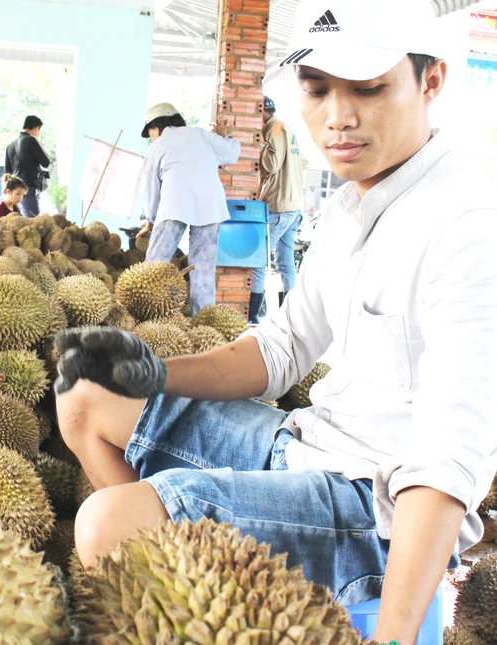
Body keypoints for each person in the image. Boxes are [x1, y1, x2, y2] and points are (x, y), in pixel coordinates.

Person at [53, 0, 496, 642]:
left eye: (369, 88)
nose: (337, 118)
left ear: (431, 82)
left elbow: (445, 463)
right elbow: (278, 350)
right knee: (87, 398)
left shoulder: (468, 229)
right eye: (316, 90)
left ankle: (177, 573)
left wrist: (397, 637)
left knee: (104, 523)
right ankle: (183, 603)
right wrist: (148, 371)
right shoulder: (351, 207)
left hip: (374, 513)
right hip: (302, 448)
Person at [137, 103, 241, 314]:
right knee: (203, 269)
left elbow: (150, 187)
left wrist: (149, 217)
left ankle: (142, 313)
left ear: (159, 124)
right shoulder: (200, 135)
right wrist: (225, 136)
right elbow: (231, 154)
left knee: (155, 264)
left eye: (151, 131)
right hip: (210, 204)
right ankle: (204, 318)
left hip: (175, 203)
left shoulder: (156, 147)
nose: (151, 137)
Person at [249, 96, 308, 324]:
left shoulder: (272, 131)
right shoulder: (288, 129)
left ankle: (252, 316)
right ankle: (288, 316)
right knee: (285, 262)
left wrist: (260, 144)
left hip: (279, 207)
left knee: (257, 261)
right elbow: (303, 162)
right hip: (293, 206)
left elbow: (272, 165)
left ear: (262, 112)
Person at [5, 116, 51, 217]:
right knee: (32, 222)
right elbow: (46, 163)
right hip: (28, 189)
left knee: (17, 221)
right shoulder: (31, 141)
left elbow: (7, 172)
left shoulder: (10, 145)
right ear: (36, 128)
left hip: (13, 192)